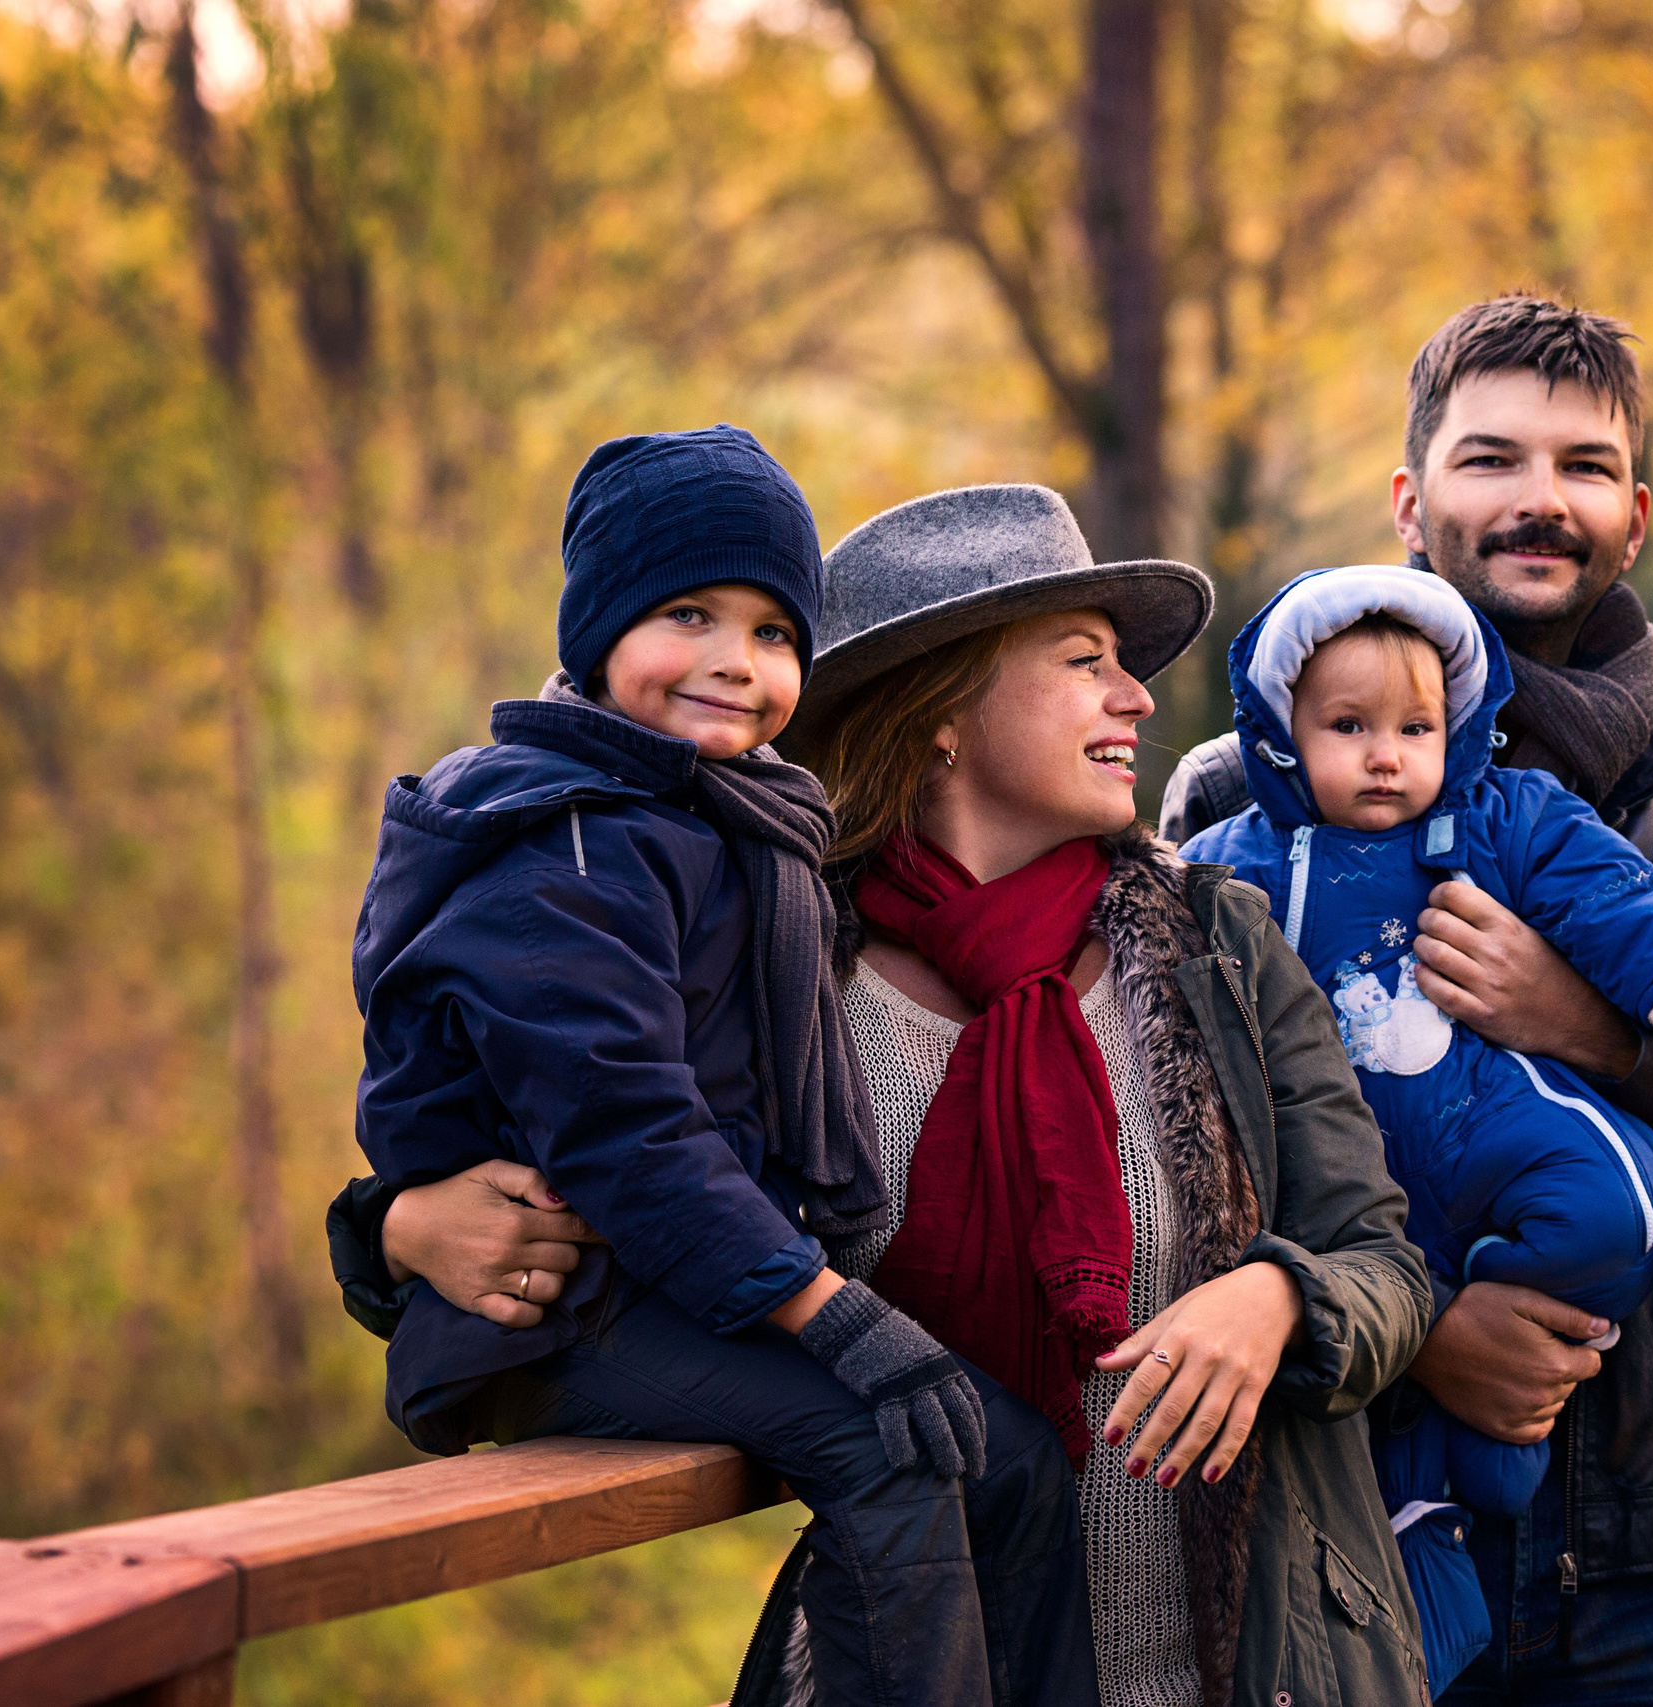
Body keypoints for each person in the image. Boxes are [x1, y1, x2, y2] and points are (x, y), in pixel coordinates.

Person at [332, 482, 1437, 1707]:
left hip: (1250, 1669)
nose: (1135, 698)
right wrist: (395, 1228)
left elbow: (1384, 1266)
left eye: (1127, 668)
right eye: (1085, 662)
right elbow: (608, 1148)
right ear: (944, 711)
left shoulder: (1212, 948)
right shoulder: (784, 960)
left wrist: (1279, 1295)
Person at [1161, 297, 1653, 1704]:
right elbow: (1173, 1141)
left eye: (1583, 464)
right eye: (1491, 459)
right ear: (1410, 496)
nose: (1537, 500)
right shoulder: (1240, 799)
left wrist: (1602, 1032)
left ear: (1637, 510)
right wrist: (1423, 1320)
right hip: (1343, 1518)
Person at [342, 426, 1085, 1707]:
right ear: (597, 628)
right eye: (688, 614)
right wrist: (837, 1319)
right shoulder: (561, 839)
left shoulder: (741, 821)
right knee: (893, 1450)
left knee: (1006, 1454)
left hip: (690, 1282)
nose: (734, 665)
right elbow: (631, 1134)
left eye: (773, 633)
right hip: (571, 1305)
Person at [1178, 568, 1653, 1523]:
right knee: (1382, 1357)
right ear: (1282, 734)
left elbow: (1610, 888)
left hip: (1489, 1120)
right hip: (1352, 1181)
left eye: (1415, 730)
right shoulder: (1233, 857)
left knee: (1619, 1208)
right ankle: (1428, 1505)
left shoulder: (1500, 815)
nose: (1385, 757)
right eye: (1347, 727)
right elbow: (1158, 966)